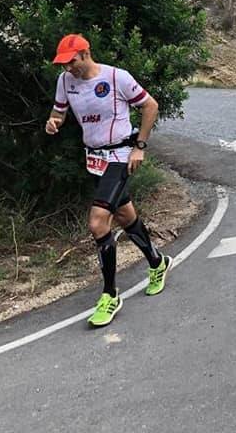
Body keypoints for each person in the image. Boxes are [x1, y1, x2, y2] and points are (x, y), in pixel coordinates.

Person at [45, 34, 169, 327]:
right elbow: (58, 111)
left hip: (121, 156)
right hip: (94, 160)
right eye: (63, 64)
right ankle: (157, 263)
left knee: (98, 221)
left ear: (85, 53)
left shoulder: (117, 77)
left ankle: (110, 294)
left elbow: (150, 106)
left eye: (71, 61)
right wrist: (54, 122)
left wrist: (140, 147)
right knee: (125, 215)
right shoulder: (65, 82)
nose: (68, 68)